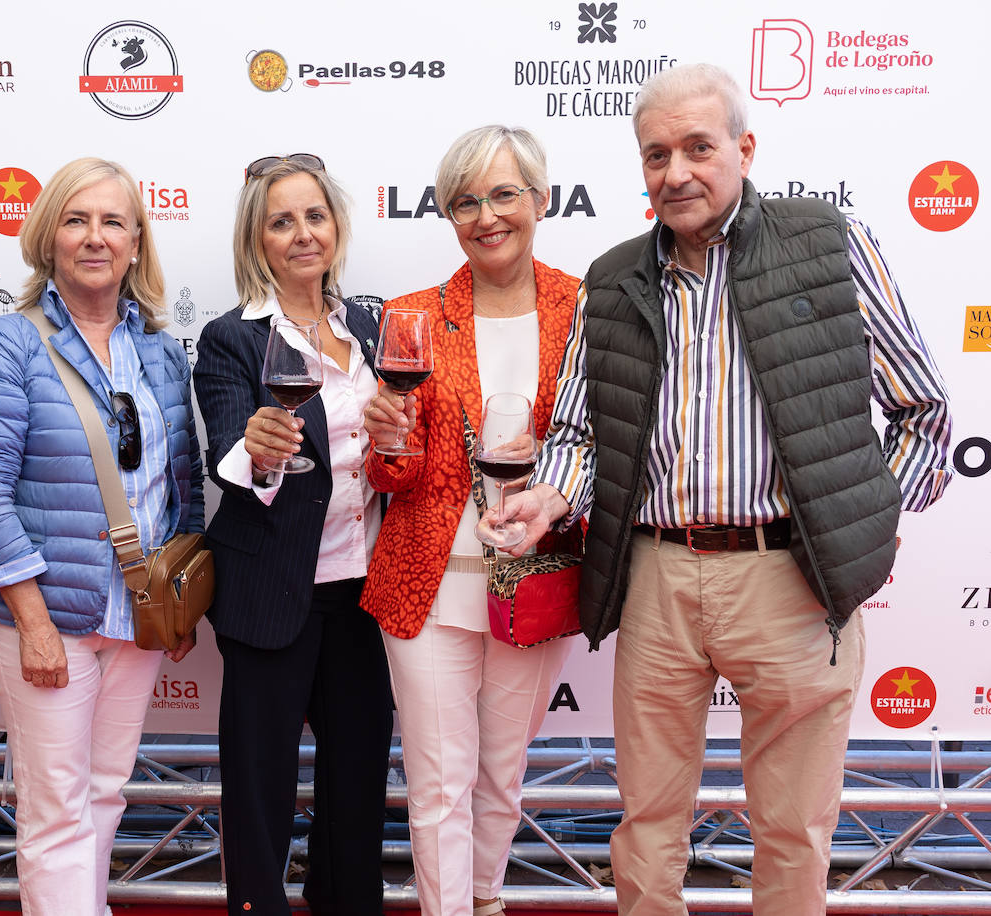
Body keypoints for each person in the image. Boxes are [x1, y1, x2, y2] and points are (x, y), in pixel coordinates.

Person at [496, 64, 953, 915]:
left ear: (743, 149)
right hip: (658, 579)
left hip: (793, 577)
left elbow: (924, 412)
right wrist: (549, 497)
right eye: (656, 154)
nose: (676, 173)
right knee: (648, 829)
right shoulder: (615, 275)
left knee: (793, 832)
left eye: (699, 148)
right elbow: (578, 434)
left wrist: (859, 523)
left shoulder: (827, 243)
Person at [0, 157, 203, 916]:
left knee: (105, 795)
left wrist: (180, 601)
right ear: (48, 237)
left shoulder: (161, 350)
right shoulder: (10, 343)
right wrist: (30, 621)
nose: (94, 238)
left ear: (137, 242)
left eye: (112, 222)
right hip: (48, 616)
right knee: (55, 808)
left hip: (136, 615)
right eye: (76, 219)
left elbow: (182, 486)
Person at [361, 126, 582, 916]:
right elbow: (397, 470)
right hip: (428, 588)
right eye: (465, 201)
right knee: (439, 786)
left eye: (503, 194)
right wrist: (388, 444)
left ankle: (483, 900)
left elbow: (600, 447)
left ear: (540, 199)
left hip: (535, 582)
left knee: (501, 778)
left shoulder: (586, 307)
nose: (486, 215)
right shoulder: (413, 316)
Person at [192, 154, 394, 916]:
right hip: (271, 593)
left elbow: (392, 454)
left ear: (336, 227)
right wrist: (262, 452)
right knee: (260, 791)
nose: (302, 234)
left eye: (315, 216)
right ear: (259, 239)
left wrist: (397, 442)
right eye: (282, 221)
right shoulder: (232, 340)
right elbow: (225, 461)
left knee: (357, 783)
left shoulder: (370, 328)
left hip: (363, 595)